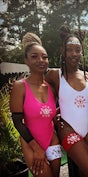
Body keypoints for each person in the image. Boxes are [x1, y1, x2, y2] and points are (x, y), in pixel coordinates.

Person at [44, 25, 88, 177]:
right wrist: (54, 115)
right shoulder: (55, 75)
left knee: (83, 171)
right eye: (70, 50)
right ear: (63, 51)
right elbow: (39, 91)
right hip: (68, 130)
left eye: (78, 50)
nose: (74, 54)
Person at [10, 32, 62, 177]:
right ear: (26, 61)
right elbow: (17, 122)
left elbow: (48, 112)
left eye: (44, 57)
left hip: (53, 141)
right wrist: (37, 148)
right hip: (31, 144)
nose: (41, 60)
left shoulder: (50, 87)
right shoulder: (20, 87)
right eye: (34, 57)